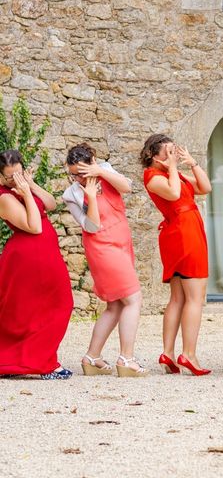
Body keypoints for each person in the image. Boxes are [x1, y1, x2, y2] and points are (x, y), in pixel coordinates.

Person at [63, 143, 147, 378]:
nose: (78, 178)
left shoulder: (106, 170)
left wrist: (100, 171)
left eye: (81, 172)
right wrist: (89, 196)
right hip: (102, 247)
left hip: (122, 242)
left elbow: (127, 187)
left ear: (92, 163)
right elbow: (91, 226)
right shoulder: (72, 194)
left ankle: (92, 357)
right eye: (74, 174)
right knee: (133, 298)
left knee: (116, 304)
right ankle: (126, 358)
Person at [142, 134, 212, 376]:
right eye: (168, 152)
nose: (173, 156)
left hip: (185, 229)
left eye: (174, 151)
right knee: (194, 297)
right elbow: (172, 194)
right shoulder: (152, 177)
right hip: (183, 231)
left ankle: (168, 353)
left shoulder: (175, 174)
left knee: (179, 298)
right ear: (154, 156)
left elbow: (205, 187)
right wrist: (172, 168)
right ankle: (188, 354)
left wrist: (191, 163)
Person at [0, 150, 73, 380]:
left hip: (45, 254)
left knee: (54, 305)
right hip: (26, 257)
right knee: (26, 312)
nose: (17, 179)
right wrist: (25, 193)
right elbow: (34, 226)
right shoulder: (4, 197)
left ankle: (35, 359)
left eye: (20, 173)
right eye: (11, 177)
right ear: (1, 178)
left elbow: (50, 204)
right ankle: (41, 363)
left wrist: (31, 185)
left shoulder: (24, 185)